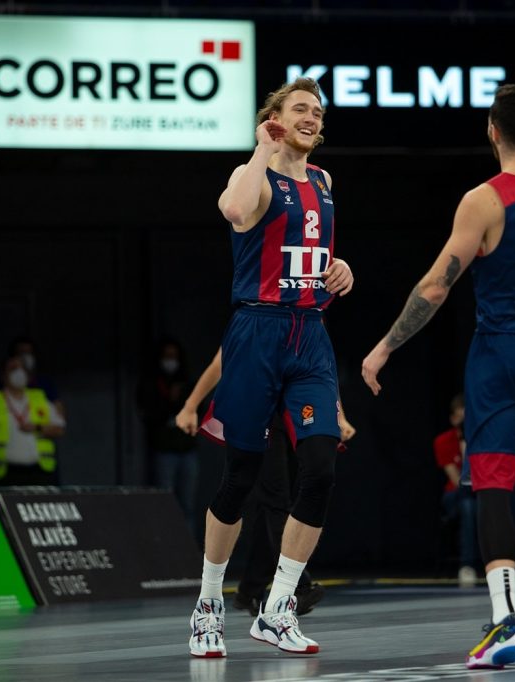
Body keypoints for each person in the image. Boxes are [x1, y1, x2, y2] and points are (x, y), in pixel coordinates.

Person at [361, 64, 515, 669]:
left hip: (503, 353)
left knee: (492, 482)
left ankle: (504, 623)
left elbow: (436, 286)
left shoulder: (485, 199)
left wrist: (385, 346)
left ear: (492, 131)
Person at [182, 77, 354, 659]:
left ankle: (277, 608)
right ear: (275, 118)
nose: (311, 117)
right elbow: (235, 210)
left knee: (321, 468)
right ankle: (208, 602)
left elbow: (310, 251)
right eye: (299, 108)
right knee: (241, 476)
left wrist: (341, 267)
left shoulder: (324, 181)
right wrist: (262, 148)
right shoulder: (252, 173)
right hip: (257, 330)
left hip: (310, 333)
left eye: (317, 112)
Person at [176, 348, 356, 617]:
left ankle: (250, 589)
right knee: (274, 498)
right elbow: (220, 361)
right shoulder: (254, 322)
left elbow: (322, 367)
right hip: (257, 412)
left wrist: (338, 416)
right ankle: (298, 585)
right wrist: (191, 406)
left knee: (277, 503)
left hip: (292, 412)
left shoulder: (307, 325)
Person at [0, 355, 66, 486]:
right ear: (4, 375)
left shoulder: (40, 399)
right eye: (13, 368)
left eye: (22, 368)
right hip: (6, 473)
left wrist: (38, 428)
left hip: (40, 471)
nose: (19, 372)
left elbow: (59, 429)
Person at [138, 337, 200, 539]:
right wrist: (169, 402)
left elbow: (200, 411)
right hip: (163, 452)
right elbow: (148, 413)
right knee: (164, 504)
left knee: (187, 505)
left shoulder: (188, 384)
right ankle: (165, 549)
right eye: (167, 356)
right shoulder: (151, 384)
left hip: (187, 451)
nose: (170, 361)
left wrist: (181, 400)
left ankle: (187, 550)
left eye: (174, 356)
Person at [435, 393, 478, 586]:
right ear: (453, 419)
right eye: (461, 420)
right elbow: (459, 481)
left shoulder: (483, 439)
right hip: (455, 495)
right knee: (468, 505)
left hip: (481, 493)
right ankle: (467, 566)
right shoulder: (443, 441)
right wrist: (464, 445)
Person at [9, 335, 64, 417]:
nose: (25, 356)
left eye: (29, 352)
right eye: (22, 352)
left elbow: (59, 413)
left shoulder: (45, 383)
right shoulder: (4, 385)